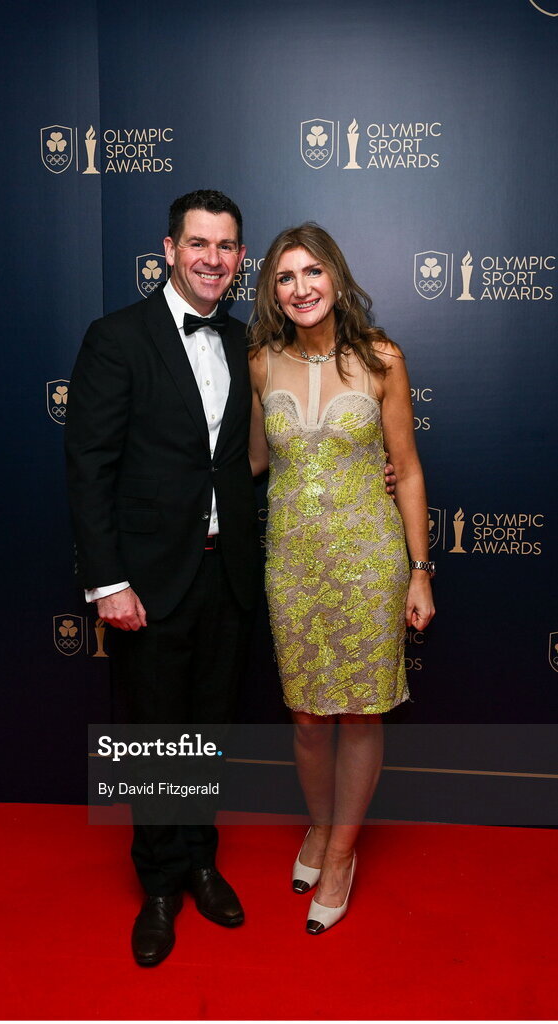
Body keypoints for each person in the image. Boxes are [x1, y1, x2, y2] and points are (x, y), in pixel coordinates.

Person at [65, 190, 260, 966]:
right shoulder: (116, 337)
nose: (213, 258)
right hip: (147, 580)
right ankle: (157, 885)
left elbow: (263, 453)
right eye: (198, 244)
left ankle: (201, 862)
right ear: (169, 250)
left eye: (226, 245)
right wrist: (107, 581)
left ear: (239, 257)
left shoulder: (245, 342)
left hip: (227, 573)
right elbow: (89, 465)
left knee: (207, 732)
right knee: (153, 739)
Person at [248, 223, 435, 934]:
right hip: (292, 563)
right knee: (305, 718)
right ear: (273, 291)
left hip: (368, 561)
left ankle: (341, 853)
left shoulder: (383, 358)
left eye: (312, 272)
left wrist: (419, 572)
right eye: (285, 277)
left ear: (335, 277)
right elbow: (251, 462)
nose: (300, 288)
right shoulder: (261, 363)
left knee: (359, 715)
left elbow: (406, 469)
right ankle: (321, 825)